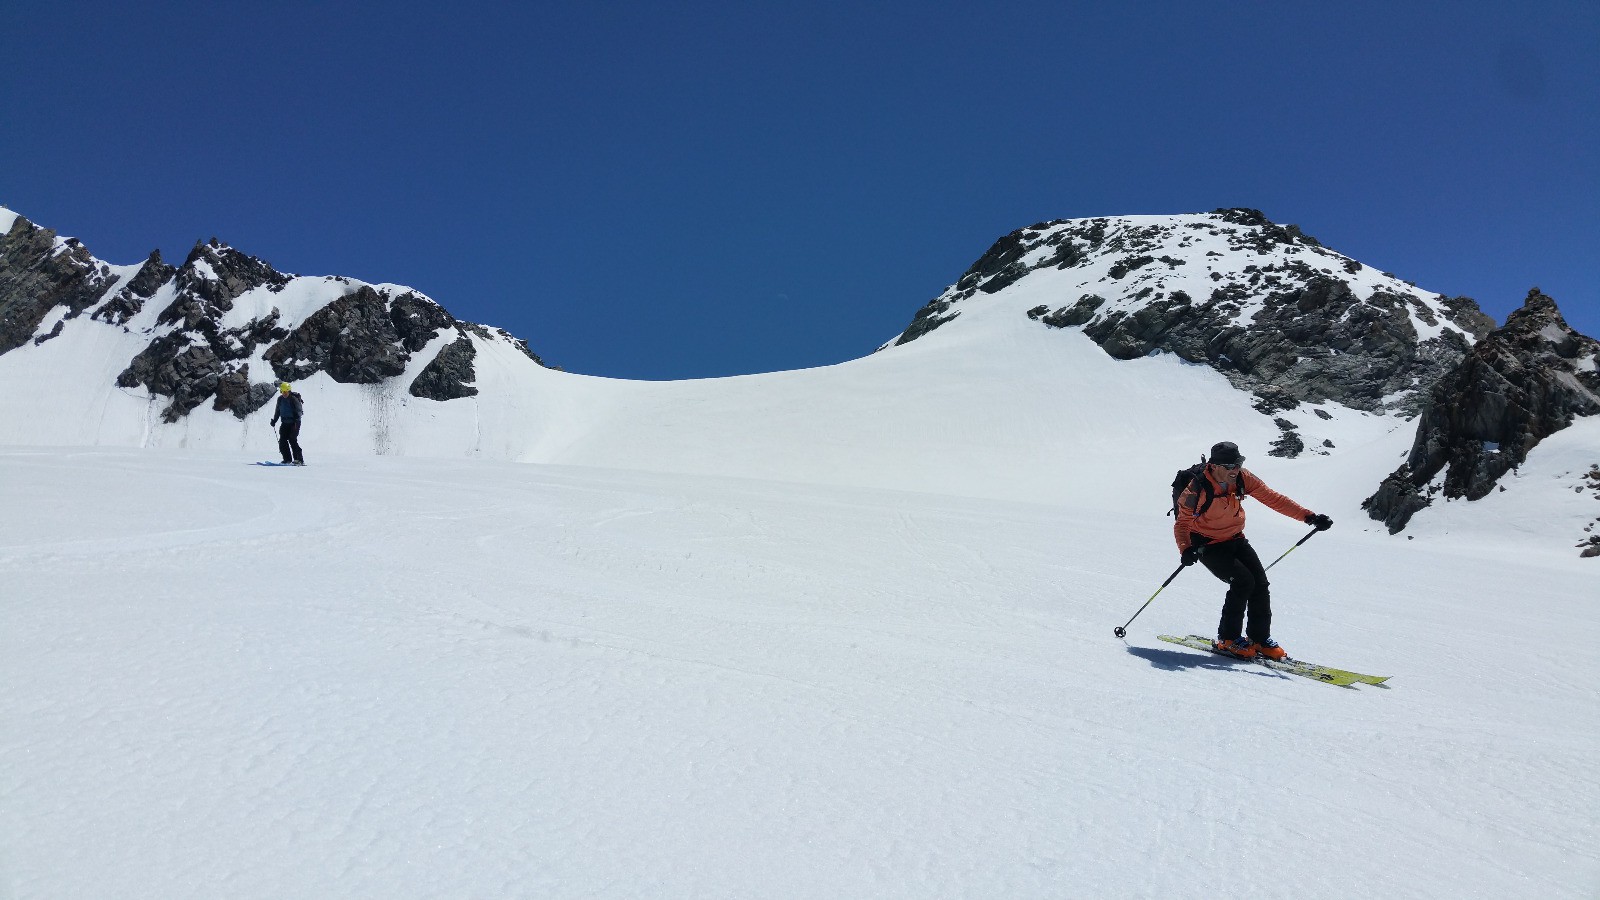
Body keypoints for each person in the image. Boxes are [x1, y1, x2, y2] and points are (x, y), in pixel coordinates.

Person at [1173, 441, 1332, 660]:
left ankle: (1259, 639)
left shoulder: (1242, 478)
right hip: (1206, 543)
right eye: (1230, 466)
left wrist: (1309, 517)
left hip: (1235, 538)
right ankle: (1227, 639)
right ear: (1214, 465)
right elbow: (1182, 524)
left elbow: (1273, 499)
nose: (1235, 469)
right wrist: (1185, 549)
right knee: (1242, 581)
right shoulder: (1196, 489)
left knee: (1260, 583)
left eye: (1238, 463)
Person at [268, 382, 305, 465]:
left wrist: (296, 417)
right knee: (282, 441)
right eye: (282, 391)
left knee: (292, 439)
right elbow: (278, 411)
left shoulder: (293, 399)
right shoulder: (280, 399)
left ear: (289, 391)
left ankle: (299, 459)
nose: (284, 393)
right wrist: (274, 420)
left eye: (285, 392)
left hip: (294, 422)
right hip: (284, 422)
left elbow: (299, 410)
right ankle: (287, 459)